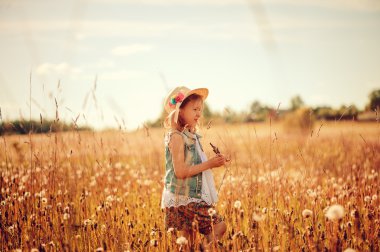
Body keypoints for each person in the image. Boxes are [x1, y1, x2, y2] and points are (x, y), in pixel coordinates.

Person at [161, 86, 228, 249]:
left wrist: (215, 161)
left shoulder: (191, 137)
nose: (199, 113)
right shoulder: (176, 137)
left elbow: (196, 164)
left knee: (187, 241)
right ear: (180, 111)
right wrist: (210, 164)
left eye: (201, 109)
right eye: (195, 109)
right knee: (219, 226)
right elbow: (181, 172)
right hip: (184, 199)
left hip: (187, 198)